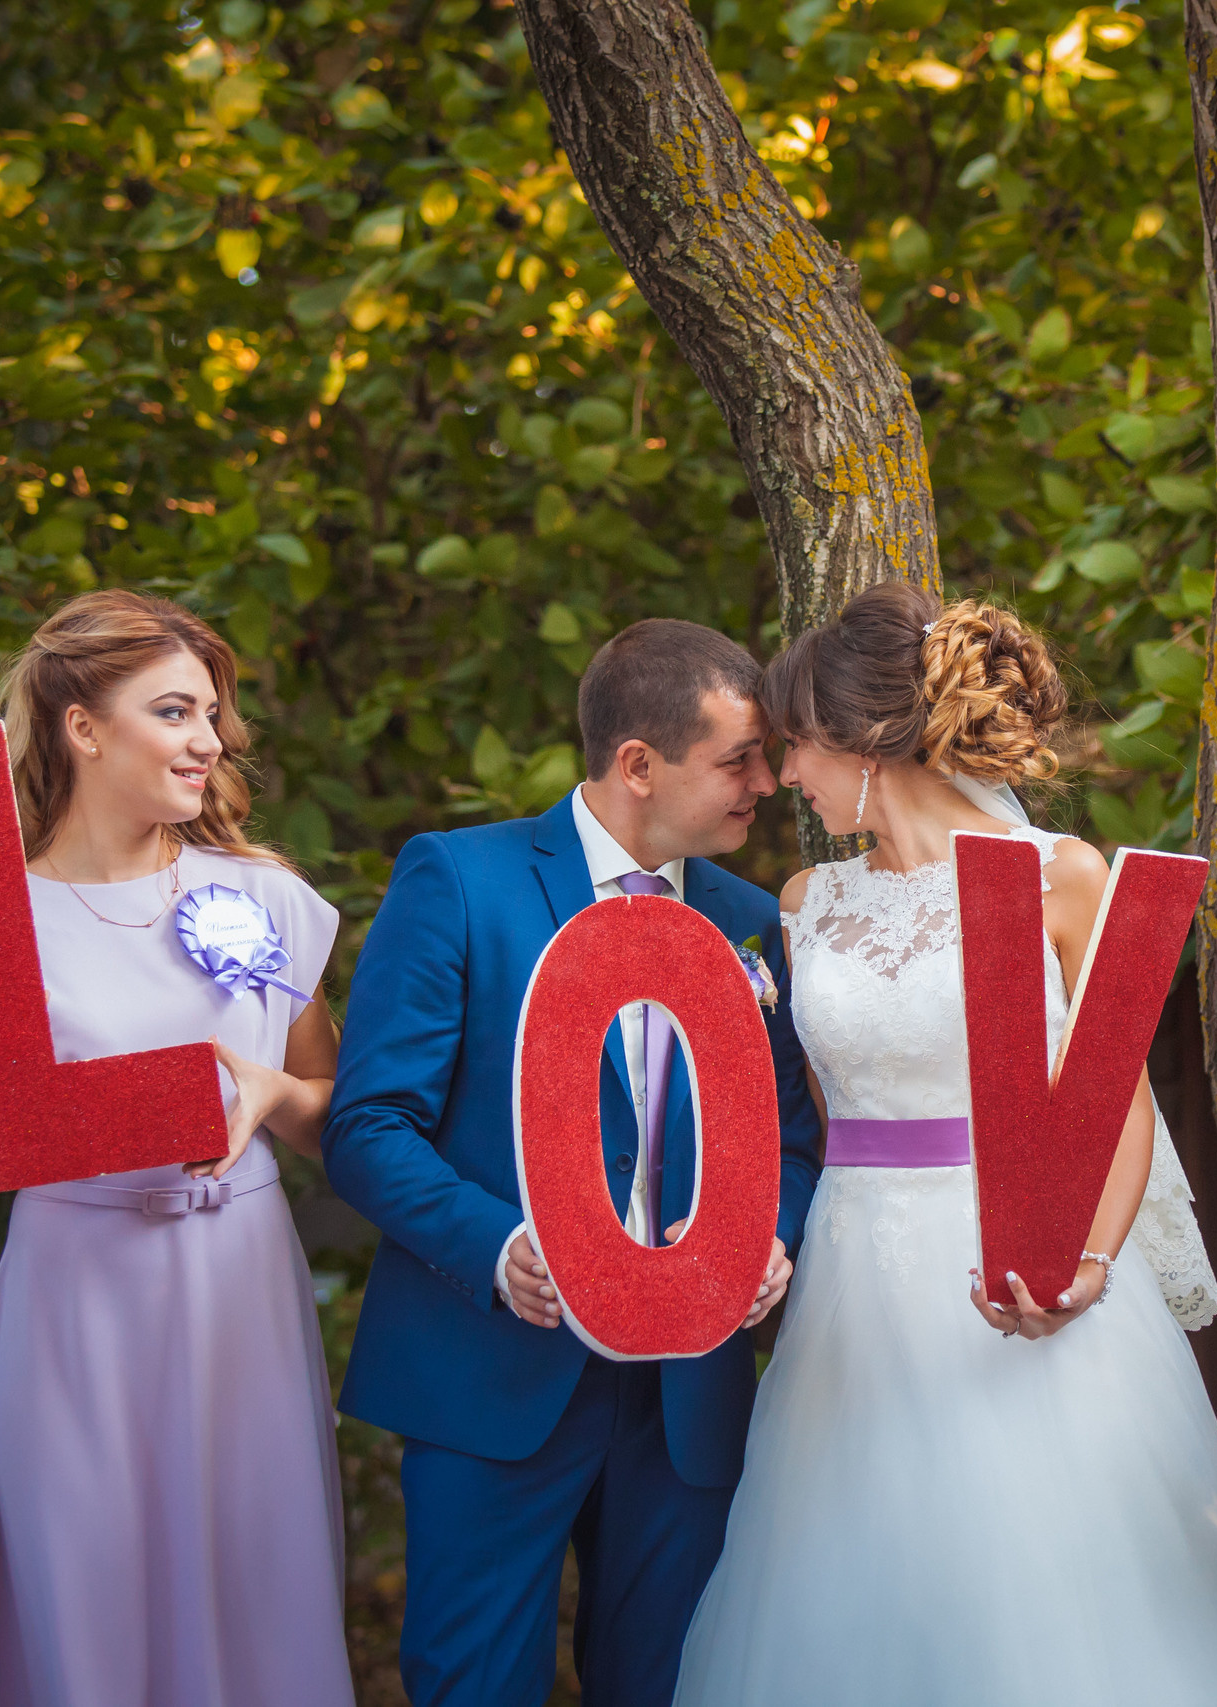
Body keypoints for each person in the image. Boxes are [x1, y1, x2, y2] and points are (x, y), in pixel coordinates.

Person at [672, 584, 1217, 1707]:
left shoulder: (1065, 877)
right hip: (852, 1289)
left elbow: (1117, 1104)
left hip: (1018, 1267)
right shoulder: (809, 898)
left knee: (1048, 1580)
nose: (785, 782)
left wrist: (1083, 1264)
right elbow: (821, 1110)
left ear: (857, 742)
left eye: (795, 751)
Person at [323, 618, 822, 1707]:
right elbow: (366, 1128)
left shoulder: (749, 924)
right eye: (736, 761)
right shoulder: (459, 879)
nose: (765, 785)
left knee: (665, 1687)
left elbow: (789, 1138)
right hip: (494, 1365)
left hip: (684, 1401)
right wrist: (501, 1249)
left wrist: (771, 1235)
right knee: (474, 1684)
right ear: (638, 765)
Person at [0, 589, 353, 1705]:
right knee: (80, 1613)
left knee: (258, 1597)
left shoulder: (268, 901)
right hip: (75, 1314)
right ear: (82, 727)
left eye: (212, 715)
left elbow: (343, 1119)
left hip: (238, 1299)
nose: (209, 741)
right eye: (174, 712)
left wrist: (264, 1095)